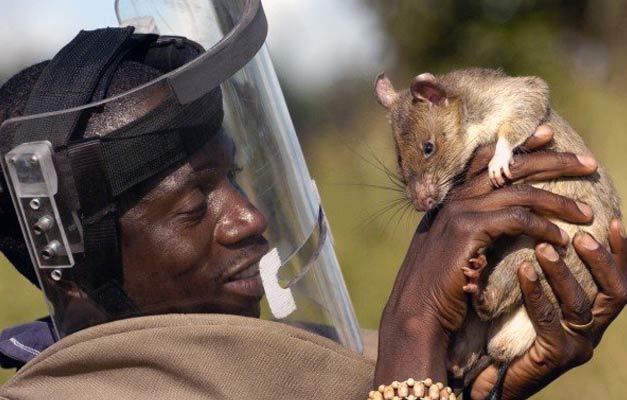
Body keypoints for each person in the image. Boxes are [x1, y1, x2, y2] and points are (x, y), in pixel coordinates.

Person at [0, 2, 624, 399]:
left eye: (237, 178)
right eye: (194, 208)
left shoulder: (316, 359)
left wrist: (481, 379)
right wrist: (413, 335)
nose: (251, 217)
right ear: (70, 268)